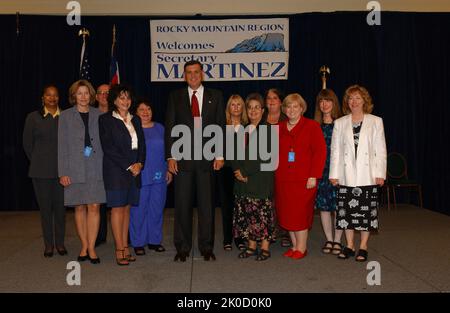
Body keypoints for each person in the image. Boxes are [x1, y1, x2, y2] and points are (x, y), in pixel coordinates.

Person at [165, 60, 225, 262]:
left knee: (207, 206)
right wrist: (171, 156)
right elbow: (171, 127)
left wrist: (219, 155)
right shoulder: (175, 97)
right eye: (188, 73)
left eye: (196, 72)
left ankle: (207, 247)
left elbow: (219, 127)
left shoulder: (215, 96)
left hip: (207, 160)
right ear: (184, 76)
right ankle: (182, 248)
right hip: (183, 161)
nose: (192, 76)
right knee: (182, 205)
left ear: (202, 74)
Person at [329, 85, 386, 262]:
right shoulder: (339, 122)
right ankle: (349, 245)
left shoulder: (376, 121)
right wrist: (334, 173)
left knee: (365, 213)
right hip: (346, 175)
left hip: (368, 174)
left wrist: (380, 173)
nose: (354, 102)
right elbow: (335, 151)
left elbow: (380, 150)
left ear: (364, 101)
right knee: (346, 213)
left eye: (357, 98)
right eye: (351, 98)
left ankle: (363, 246)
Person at [58, 79, 106, 264]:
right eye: (80, 93)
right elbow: (62, 146)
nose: (84, 96)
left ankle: (92, 247)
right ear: (74, 96)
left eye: (87, 93)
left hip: (96, 166)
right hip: (74, 167)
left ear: (91, 95)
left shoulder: (100, 114)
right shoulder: (65, 116)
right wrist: (63, 172)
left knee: (94, 206)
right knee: (79, 206)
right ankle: (84, 245)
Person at [275, 93, 326, 260]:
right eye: (288, 106)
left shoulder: (312, 126)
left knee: (300, 214)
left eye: (295, 106)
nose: (291, 110)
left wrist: (314, 175)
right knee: (287, 213)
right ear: (284, 109)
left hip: (304, 180)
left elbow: (320, 152)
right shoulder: (278, 128)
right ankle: (294, 245)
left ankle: (302, 248)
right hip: (283, 179)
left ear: (302, 108)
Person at [99, 84, 146, 266]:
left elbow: (142, 146)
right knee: (117, 209)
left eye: (127, 97)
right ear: (114, 100)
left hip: (135, 172)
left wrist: (140, 163)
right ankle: (119, 249)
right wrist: (129, 165)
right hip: (116, 172)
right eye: (121, 97)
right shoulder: (106, 120)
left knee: (127, 208)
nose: (125, 101)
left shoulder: (136, 120)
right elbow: (109, 148)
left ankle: (125, 246)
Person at [23, 84, 66, 258]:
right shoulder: (33, 118)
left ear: (59, 98)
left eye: (55, 95)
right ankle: (48, 245)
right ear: (43, 98)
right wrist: (40, 161)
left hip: (62, 173)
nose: (52, 98)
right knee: (46, 210)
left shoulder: (66, 117)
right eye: (48, 95)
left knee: (61, 211)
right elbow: (27, 145)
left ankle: (60, 244)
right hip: (40, 172)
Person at [232, 93, 275, 261]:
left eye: (257, 107)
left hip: (260, 179)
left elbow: (264, 156)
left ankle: (264, 247)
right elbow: (232, 152)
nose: (253, 110)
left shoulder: (268, 130)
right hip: (242, 181)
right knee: (247, 213)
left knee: (261, 213)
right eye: (250, 107)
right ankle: (251, 245)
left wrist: (245, 172)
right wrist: (237, 171)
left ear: (263, 110)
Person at [130, 99, 172, 256]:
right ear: (135, 112)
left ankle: (154, 240)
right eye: (142, 109)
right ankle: (138, 242)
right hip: (140, 176)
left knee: (156, 209)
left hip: (160, 175)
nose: (146, 112)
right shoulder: (131, 129)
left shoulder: (160, 128)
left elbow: (168, 151)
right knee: (138, 211)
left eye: (148, 109)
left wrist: (168, 169)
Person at [313, 89, 344, 255]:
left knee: (339, 207)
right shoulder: (314, 125)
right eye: (321, 101)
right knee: (324, 207)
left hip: (338, 171)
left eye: (328, 101)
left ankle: (338, 241)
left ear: (334, 103)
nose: (324, 104)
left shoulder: (342, 123)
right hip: (321, 171)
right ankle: (329, 239)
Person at [218, 95, 248, 251]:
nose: (236, 107)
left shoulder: (248, 126)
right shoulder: (222, 127)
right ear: (228, 108)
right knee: (227, 206)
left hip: (243, 171)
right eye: (232, 105)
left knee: (242, 206)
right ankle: (227, 238)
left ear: (243, 108)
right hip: (226, 172)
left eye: (239, 105)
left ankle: (241, 237)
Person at [264, 88, 290, 248]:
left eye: (275, 98)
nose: (271, 101)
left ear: (281, 102)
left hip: (284, 165)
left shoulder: (287, 119)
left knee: (283, 199)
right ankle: (270, 229)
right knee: (267, 199)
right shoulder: (260, 119)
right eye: (268, 98)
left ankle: (286, 231)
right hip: (265, 165)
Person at [94, 83, 110, 247]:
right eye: (101, 93)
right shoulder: (91, 115)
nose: (104, 95)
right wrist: (86, 157)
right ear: (96, 96)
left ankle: (125, 237)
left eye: (108, 92)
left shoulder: (119, 115)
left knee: (120, 203)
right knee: (97, 202)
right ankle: (99, 235)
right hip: (95, 165)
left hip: (116, 165)